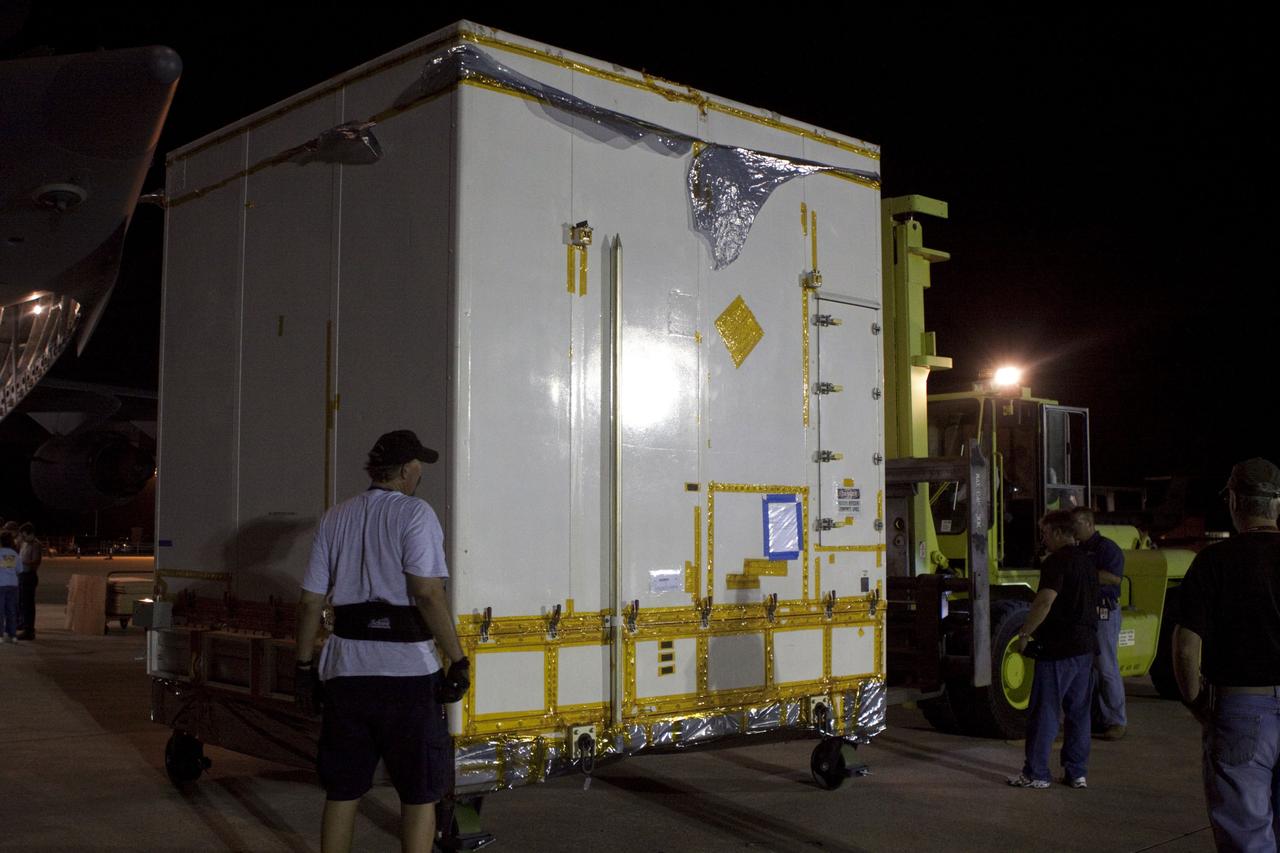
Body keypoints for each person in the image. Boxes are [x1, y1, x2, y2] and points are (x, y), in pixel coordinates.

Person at [295, 429, 470, 853]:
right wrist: (458, 658)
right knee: (419, 792)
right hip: (407, 674)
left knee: (342, 790)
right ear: (408, 470)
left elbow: (309, 601)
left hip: (345, 671)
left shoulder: (336, 516)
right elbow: (427, 593)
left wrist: (303, 667)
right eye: (418, 468)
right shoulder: (415, 514)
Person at [1174, 457, 1280, 850]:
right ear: (1278, 505)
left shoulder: (1213, 562)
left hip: (1241, 708)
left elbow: (1187, 646)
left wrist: (1196, 700)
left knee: (1246, 832)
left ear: (1234, 501)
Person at [1007, 509, 1099, 789]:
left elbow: (1045, 601)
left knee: (1044, 712)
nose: (1043, 539)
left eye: (1045, 533)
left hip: (1058, 648)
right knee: (1079, 714)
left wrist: (1025, 632)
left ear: (1059, 533)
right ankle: (1076, 772)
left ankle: (1036, 773)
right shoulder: (1087, 562)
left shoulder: (1056, 562)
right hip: (1085, 648)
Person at [1072, 506, 1126, 740]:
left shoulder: (1107, 548)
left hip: (1104, 612)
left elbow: (1114, 577)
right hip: (1085, 613)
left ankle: (1117, 721)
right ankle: (1098, 720)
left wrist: (1084, 572)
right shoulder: (1078, 549)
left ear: (1088, 523)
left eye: (1075, 524)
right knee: (1089, 670)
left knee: (1106, 668)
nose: (1072, 530)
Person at [16, 522, 42, 641]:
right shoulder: (23, 543)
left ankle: (29, 630)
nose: (22, 536)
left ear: (28, 533)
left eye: (23, 534)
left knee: (28, 604)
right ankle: (23, 625)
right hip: (22, 575)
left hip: (29, 576)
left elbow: (36, 562)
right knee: (22, 602)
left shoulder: (35, 544)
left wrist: (22, 563)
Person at [0, 532, 22, 643]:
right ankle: (12, 634)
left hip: (1, 584)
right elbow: (20, 570)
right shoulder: (15, 554)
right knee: (11, 610)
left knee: (0, 611)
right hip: (13, 584)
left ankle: (0, 635)